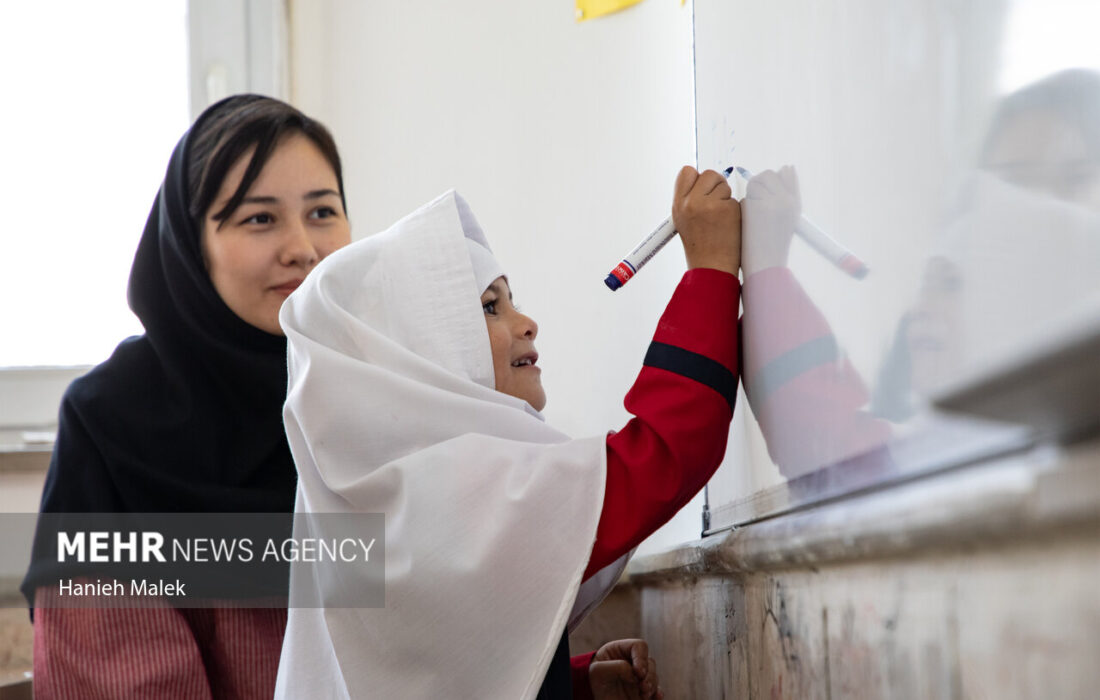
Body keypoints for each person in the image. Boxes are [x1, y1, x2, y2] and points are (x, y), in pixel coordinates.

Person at [274, 167, 742, 698]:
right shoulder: (452, 496)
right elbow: (665, 453)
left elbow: (422, 680)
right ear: (416, 354)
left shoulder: (375, 512)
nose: (526, 323)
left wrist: (574, 682)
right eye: (489, 307)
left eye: (511, 301)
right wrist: (710, 271)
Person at [21, 94, 352, 699]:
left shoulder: (379, 390)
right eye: (260, 218)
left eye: (323, 212)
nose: (302, 247)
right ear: (191, 244)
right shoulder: (114, 422)